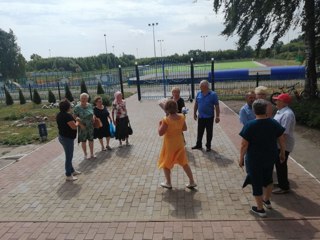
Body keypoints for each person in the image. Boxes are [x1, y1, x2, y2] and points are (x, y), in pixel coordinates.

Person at [239, 99, 286, 217]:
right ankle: (266, 200)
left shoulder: (250, 125)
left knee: (256, 181)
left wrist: (240, 158)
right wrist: (282, 153)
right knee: (268, 178)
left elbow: (244, 144)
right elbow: (281, 138)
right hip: (270, 156)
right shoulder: (273, 123)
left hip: (255, 158)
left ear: (254, 111)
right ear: (265, 110)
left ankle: (260, 209)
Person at [158, 99, 196, 189]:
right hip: (179, 142)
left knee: (166, 162)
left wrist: (159, 124)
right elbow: (185, 128)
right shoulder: (182, 117)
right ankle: (192, 181)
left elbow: (160, 133)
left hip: (170, 144)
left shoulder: (166, 120)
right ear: (176, 108)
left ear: (166, 109)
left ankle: (168, 182)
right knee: (184, 162)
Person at [272, 93, 296, 194]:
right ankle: (282, 182)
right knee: (279, 164)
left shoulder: (287, 114)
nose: (276, 101)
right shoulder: (280, 111)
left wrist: (282, 148)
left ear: (284, 103)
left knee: (281, 164)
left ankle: (284, 187)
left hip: (283, 144)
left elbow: (284, 134)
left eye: (278, 100)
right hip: (279, 143)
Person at [56, 99, 81, 181]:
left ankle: (72, 170)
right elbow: (73, 126)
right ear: (67, 107)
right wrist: (77, 121)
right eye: (70, 105)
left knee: (69, 155)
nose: (71, 106)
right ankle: (68, 175)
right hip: (67, 139)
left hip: (62, 137)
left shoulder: (59, 115)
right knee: (69, 156)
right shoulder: (67, 116)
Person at [192, 80, 220, 152]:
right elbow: (196, 104)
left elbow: (217, 106)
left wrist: (217, 116)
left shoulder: (213, 94)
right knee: (200, 131)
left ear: (206, 86)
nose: (200, 87)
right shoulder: (198, 93)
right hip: (201, 117)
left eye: (201, 86)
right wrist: (194, 113)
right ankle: (198, 144)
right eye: (200, 86)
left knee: (209, 132)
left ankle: (208, 146)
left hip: (209, 117)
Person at [74, 93, 96, 159]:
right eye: (82, 98)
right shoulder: (77, 107)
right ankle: (85, 154)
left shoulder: (90, 105)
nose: (83, 99)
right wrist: (80, 125)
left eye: (85, 98)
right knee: (83, 141)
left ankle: (92, 154)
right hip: (82, 127)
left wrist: (94, 118)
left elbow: (93, 113)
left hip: (90, 126)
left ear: (87, 99)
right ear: (80, 99)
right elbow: (75, 116)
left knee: (91, 140)